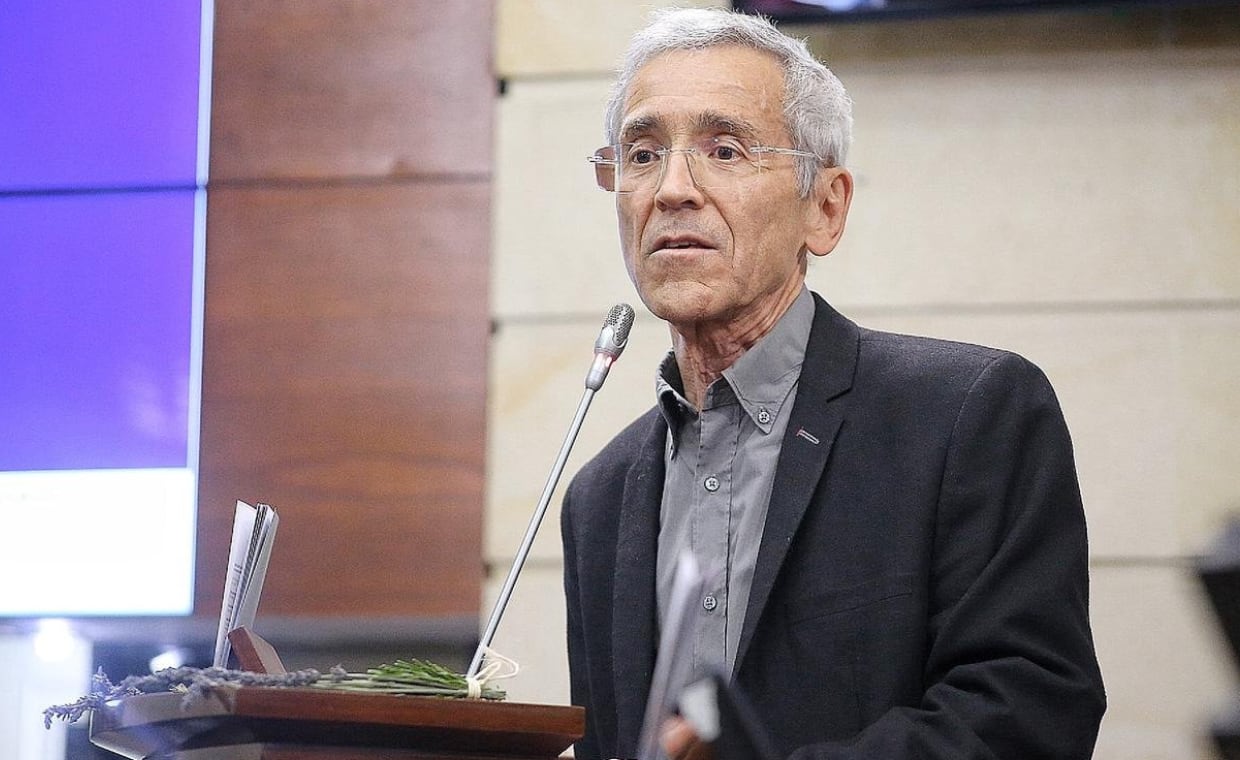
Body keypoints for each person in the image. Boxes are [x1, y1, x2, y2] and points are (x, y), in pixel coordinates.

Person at [560, 8, 1106, 759]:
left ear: (825, 207)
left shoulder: (968, 415)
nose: (672, 188)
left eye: (724, 149)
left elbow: (1027, 715)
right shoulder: (599, 497)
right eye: (643, 153)